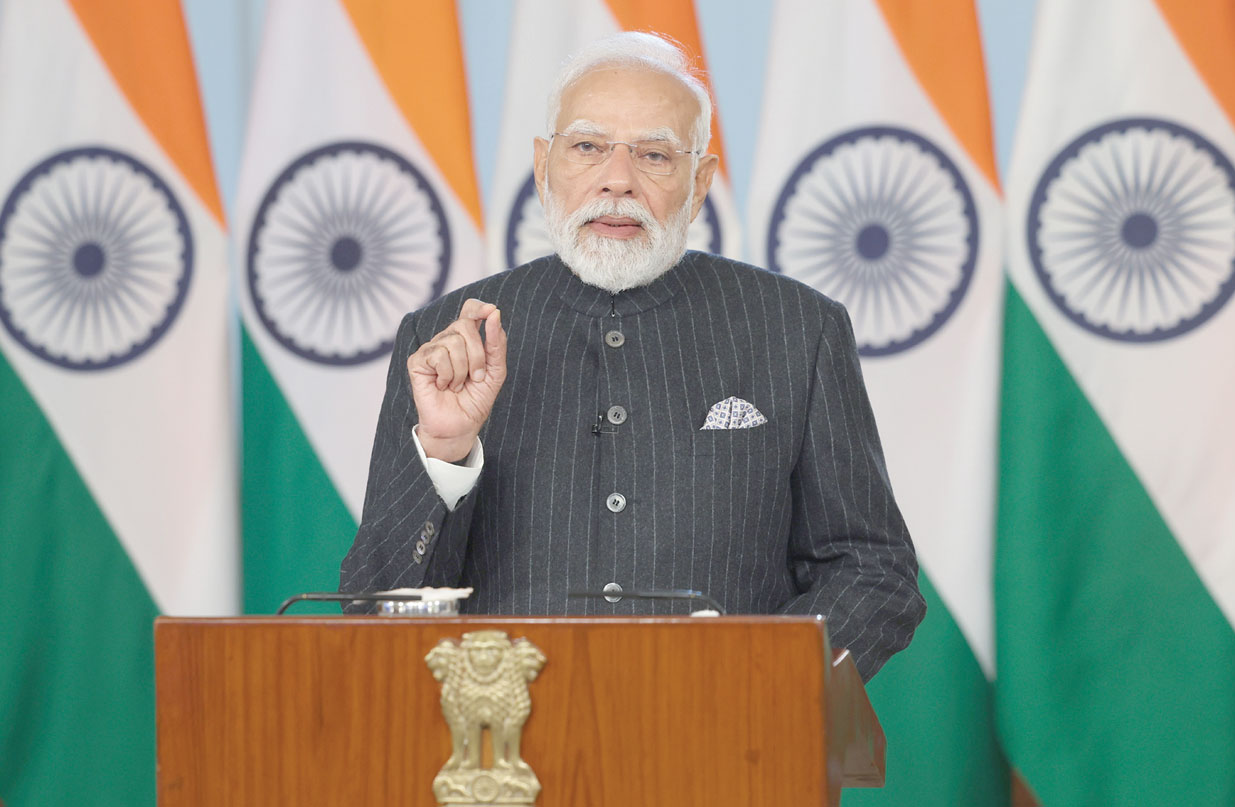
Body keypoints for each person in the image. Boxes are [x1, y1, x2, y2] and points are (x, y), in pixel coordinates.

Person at [340, 32, 924, 682]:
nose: (617, 180)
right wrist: (445, 452)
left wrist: (762, 687)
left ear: (699, 183)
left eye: (654, 154)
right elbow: (375, 606)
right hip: (503, 732)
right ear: (543, 165)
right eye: (588, 147)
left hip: (730, 732)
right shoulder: (444, 339)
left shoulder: (799, 328)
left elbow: (873, 569)